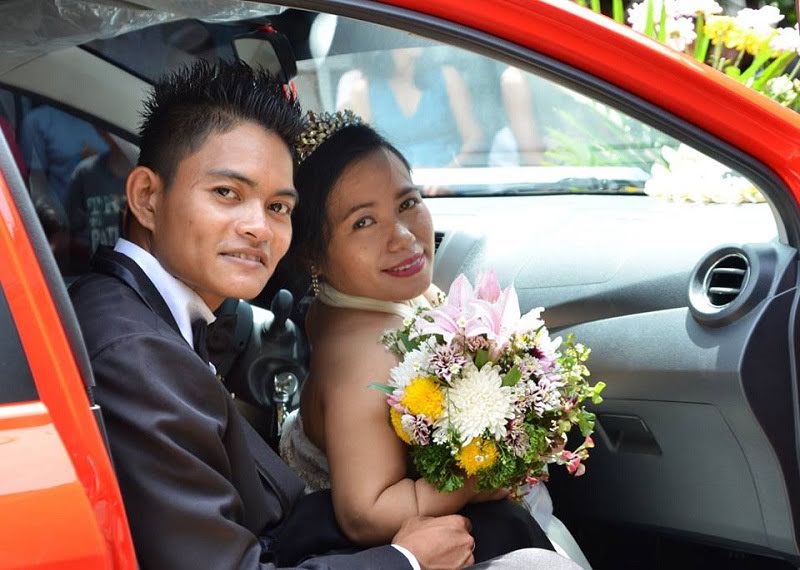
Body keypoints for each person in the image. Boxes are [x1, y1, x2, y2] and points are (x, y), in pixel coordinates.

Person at [69, 60, 576, 570]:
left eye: (278, 207)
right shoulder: (135, 357)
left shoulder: (140, 310)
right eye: (227, 193)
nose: (258, 228)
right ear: (147, 198)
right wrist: (406, 560)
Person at [279, 111, 585, 566]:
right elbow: (364, 514)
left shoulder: (362, 296)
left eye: (407, 203)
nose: (403, 236)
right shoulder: (363, 357)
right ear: (312, 256)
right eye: (363, 223)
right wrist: (477, 477)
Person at [339, 47, 483, 168]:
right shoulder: (363, 90)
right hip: (394, 187)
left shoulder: (448, 76)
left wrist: (448, 174)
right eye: (405, 34)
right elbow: (364, 156)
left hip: (452, 185)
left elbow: (475, 139)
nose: (414, 37)